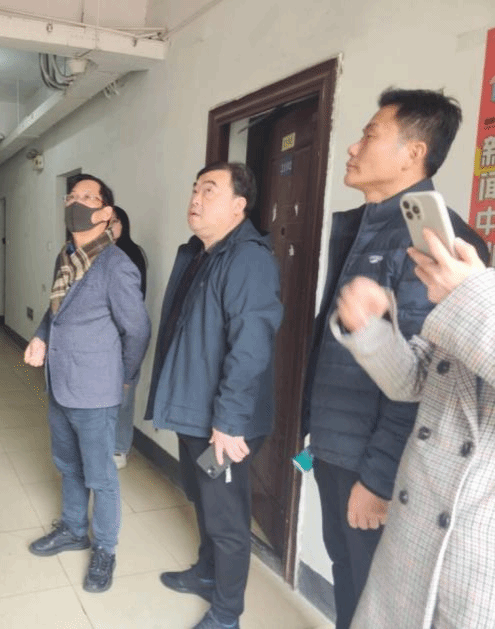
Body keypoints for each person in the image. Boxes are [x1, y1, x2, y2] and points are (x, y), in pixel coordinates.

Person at [301, 88, 489, 629]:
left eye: (370, 135)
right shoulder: (369, 225)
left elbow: (432, 384)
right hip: (338, 446)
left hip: (375, 463)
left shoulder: (435, 244)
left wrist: (380, 477)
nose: (353, 147)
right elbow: (397, 361)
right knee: (348, 576)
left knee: (372, 595)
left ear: (413, 152)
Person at [331, 229, 493, 629]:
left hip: (476, 566)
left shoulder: (478, 297)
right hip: (412, 539)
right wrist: (371, 327)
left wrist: (469, 297)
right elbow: (414, 382)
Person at [145, 162, 282, 629]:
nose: (196, 199)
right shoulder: (200, 254)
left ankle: (227, 614)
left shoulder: (248, 260)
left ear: (239, 206)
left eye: (209, 190)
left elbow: (250, 348)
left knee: (226, 517)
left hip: (223, 424)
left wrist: (228, 423)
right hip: (195, 414)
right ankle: (206, 573)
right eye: (194, 189)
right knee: (203, 500)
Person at [23, 174, 151, 593]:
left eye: (86, 197)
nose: (74, 202)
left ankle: (105, 550)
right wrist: (41, 336)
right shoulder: (66, 257)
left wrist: (124, 378)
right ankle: (74, 529)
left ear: (105, 212)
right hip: (60, 384)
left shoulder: (116, 265)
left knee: (100, 476)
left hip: (96, 391)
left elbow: (138, 331)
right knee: (68, 465)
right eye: (71, 196)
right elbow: (55, 312)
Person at [109, 206, 147, 469]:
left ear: (124, 224)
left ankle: (120, 447)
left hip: (126, 334)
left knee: (124, 391)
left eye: (115, 222)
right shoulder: (96, 254)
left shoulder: (131, 255)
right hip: (103, 338)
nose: (110, 227)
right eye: (107, 222)